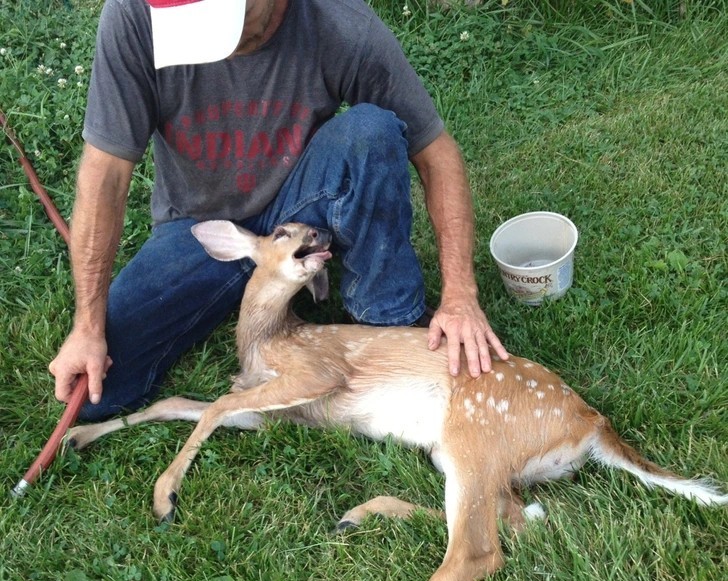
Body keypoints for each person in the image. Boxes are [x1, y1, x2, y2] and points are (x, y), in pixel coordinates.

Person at [50, 0, 509, 422]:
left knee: (371, 131)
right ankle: (243, 287)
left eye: (219, 22)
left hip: (300, 210)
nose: (208, 45)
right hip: (199, 228)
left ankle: (389, 317)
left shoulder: (340, 23)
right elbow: (104, 176)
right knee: (96, 394)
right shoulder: (136, 14)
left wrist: (460, 295)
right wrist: (88, 326)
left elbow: (437, 153)